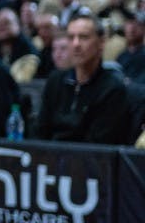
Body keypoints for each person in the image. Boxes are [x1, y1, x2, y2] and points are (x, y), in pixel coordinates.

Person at [33, 11, 131, 144]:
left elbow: (98, 146)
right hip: (50, 159)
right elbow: (40, 133)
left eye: (83, 37)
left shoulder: (113, 89)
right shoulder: (55, 80)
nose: (76, 44)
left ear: (101, 42)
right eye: (71, 37)